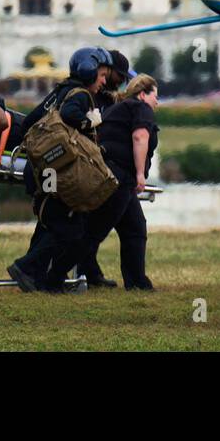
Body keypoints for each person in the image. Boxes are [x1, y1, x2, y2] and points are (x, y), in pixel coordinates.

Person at [7, 46, 112, 294]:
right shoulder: (80, 96)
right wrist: (91, 123)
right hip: (58, 174)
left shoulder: (59, 92)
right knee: (70, 231)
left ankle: (42, 279)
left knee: (51, 225)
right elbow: (70, 114)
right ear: (89, 72)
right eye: (102, 75)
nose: (104, 81)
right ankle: (27, 268)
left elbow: (29, 122)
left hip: (43, 172)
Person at [81, 74, 160, 291]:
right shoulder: (140, 108)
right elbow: (140, 138)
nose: (157, 102)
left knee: (134, 228)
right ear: (143, 94)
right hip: (120, 177)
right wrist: (140, 174)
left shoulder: (119, 108)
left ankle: (137, 282)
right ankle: (52, 276)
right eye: (155, 96)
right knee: (95, 230)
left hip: (109, 174)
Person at [75, 50, 134, 288]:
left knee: (132, 226)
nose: (121, 81)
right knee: (98, 226)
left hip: (111, 171)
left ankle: (95, 272)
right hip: (100, 169)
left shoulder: (103, 97)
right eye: (119, 76)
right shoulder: (87, 97)